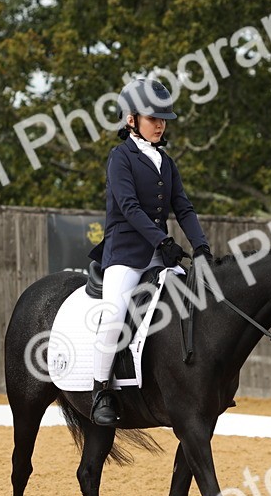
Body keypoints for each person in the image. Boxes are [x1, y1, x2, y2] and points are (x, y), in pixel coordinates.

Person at [90, 78, 212, 426]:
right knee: (114, 316)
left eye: (163, 119)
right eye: (152, 118)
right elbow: (129, 207)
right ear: (131, 120)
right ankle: (102, 391)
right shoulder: (120, 158)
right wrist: (163, 242)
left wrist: (200, 245)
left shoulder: (166, 162)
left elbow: (183, 208)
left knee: (194, 305)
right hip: (125, 254)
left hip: (162, 254)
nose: (160, 124)